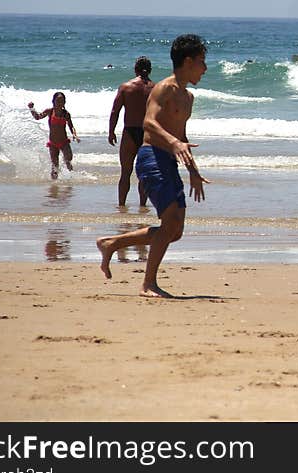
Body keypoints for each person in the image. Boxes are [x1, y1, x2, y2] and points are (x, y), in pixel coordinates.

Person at [97, 34, 210, 298]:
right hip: (151, 158)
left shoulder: (188, 97)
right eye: (202, 62)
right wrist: (173, 142)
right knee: (169, 224)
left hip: (168, 160)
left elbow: (181, 138)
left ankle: (111, 243)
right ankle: (148, 283)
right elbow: (148, 123)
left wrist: (193, 171)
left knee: (176, 231)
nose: (205, 68)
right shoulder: (164, 89)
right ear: (188, 61)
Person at [108, 56, 155, 207]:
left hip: (130, 133)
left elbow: (115, 111)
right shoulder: (156, 89)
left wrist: (111, 132)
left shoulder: (126, 87)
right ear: (150, 70)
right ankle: (142, 206)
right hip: (148, 134)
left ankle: (121, 205)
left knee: (125, 173)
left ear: (135, 69)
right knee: (145, 175)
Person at [28, 92, 80, 180]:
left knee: (68, 159)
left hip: (64, 142)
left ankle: (71, 179)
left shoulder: (66, 114)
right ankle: (54, 186)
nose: (60, 103)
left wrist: (74, 135)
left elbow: (71, 126)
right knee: (55, 166)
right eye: (58, 101)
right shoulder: (50, 111)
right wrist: (32, 108)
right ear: (53, 101)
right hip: (53, 144)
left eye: (62, 101)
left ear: (64, 102)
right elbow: (37, 117)